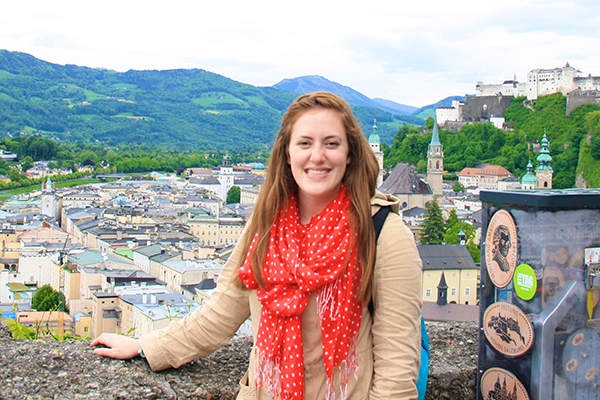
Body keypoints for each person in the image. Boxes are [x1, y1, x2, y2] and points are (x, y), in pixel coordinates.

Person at [91, 92, 423, 400]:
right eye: (304, 143)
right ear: (287, 153)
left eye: (332, 143)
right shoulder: (266, 224)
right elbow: (221, 314)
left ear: (350, 154)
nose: (317, 156)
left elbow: (396, 367)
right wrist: (146, 346)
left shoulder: (383, 233)